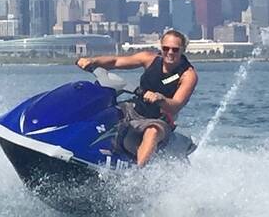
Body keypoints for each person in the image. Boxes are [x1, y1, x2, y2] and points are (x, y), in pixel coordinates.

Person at [76, 29, 198, 167]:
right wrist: (92, 61)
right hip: (134, 108)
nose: (170, 53)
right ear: (161, 47)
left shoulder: (188, 75)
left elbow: (176, 105)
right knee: (103, 110)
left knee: (152, 132)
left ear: (182, 50)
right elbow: (116, 61)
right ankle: (76, 145)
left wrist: (160, 99)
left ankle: (137, 175)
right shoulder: (149, 58)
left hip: (158, 119)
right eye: (166, 48)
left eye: (175, 50)